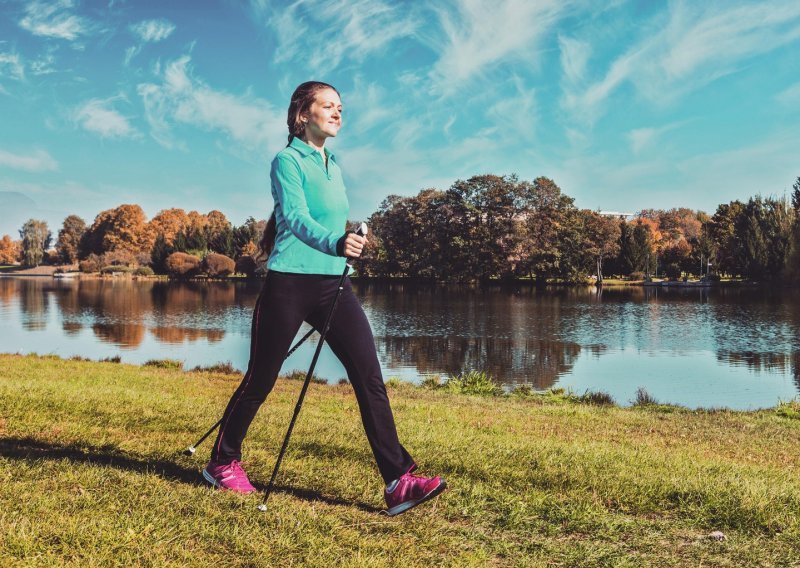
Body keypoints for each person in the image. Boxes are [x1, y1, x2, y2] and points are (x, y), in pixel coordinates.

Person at [203, 81, 446, 516]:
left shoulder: (333, 163)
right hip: (289, 285)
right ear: (303, 114)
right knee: (261, 380)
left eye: (340, 107)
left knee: (369, 378)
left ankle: (398, 481)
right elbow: (295, 218)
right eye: (327, 106)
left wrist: (351, 238)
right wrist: (336, 241)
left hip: (334, 286)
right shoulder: (287, 160)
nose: (337, 113)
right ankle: (222, 462)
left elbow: (332, 224)